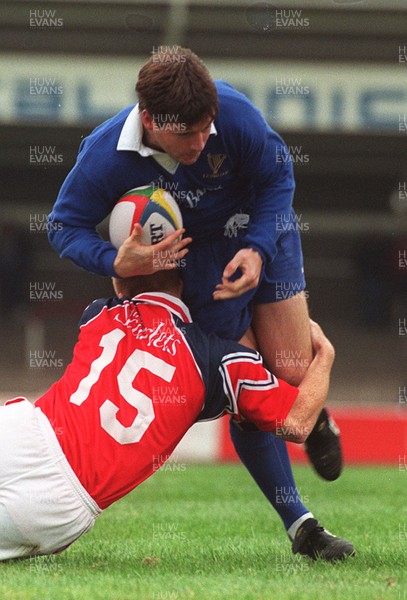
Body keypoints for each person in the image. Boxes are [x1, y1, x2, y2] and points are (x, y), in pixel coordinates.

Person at [47, 47, 348, 558]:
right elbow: (62, 226)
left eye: (207, 129)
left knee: (293, 372)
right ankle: (302, 526)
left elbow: (279, 179)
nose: (203, 140)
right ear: (149, 121)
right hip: (189, 264)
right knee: (245, 380)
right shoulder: (103, 155)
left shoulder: (233, 115)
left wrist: (256, 249)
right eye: (189, 134)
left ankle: (315, 416)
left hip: (258, 235)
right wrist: (115, 263)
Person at [0, 268, 352, 561]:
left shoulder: (99, 313)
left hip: (24, 433)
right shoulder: (221, 362)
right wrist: (325, 356)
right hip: (63, 501)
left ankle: (301, 523)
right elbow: (297, 422)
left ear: (122, 278)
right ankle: (300, 523)